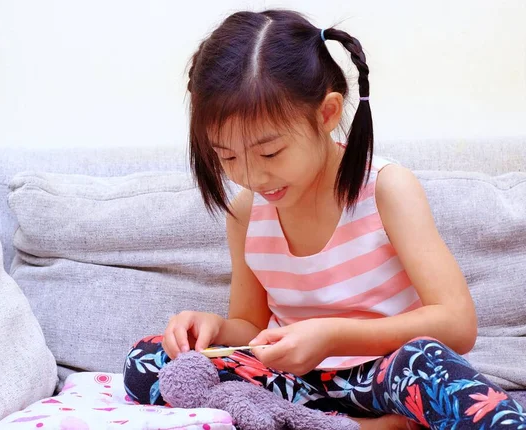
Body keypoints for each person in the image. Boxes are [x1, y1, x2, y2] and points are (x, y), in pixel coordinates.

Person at [123, 9, 526, 429]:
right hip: (293, 381)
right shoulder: (247, 210)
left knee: (426, 364)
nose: (251, 176)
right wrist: (215, 329)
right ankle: (352, 424)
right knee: (148, 361)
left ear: (327, 114)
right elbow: (251, 327)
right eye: (226, 156)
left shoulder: (386, 189)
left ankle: (357, 422)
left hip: (381, 374)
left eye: (269, 153)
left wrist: (331, 336)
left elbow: (457, 324)